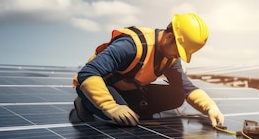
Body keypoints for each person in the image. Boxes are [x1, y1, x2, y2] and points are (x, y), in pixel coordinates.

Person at [70, 13, 224, 127]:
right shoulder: (131, 46)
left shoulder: (170, 56)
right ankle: (85, 103)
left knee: (176, 95)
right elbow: (88, 73)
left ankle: (128, 108)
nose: (179, 56)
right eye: (179, 50)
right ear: (169, 37)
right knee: (121, 119)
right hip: (98, 86)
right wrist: (110, 106)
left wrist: (210, 107)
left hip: (127, 90)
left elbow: (186, 88)